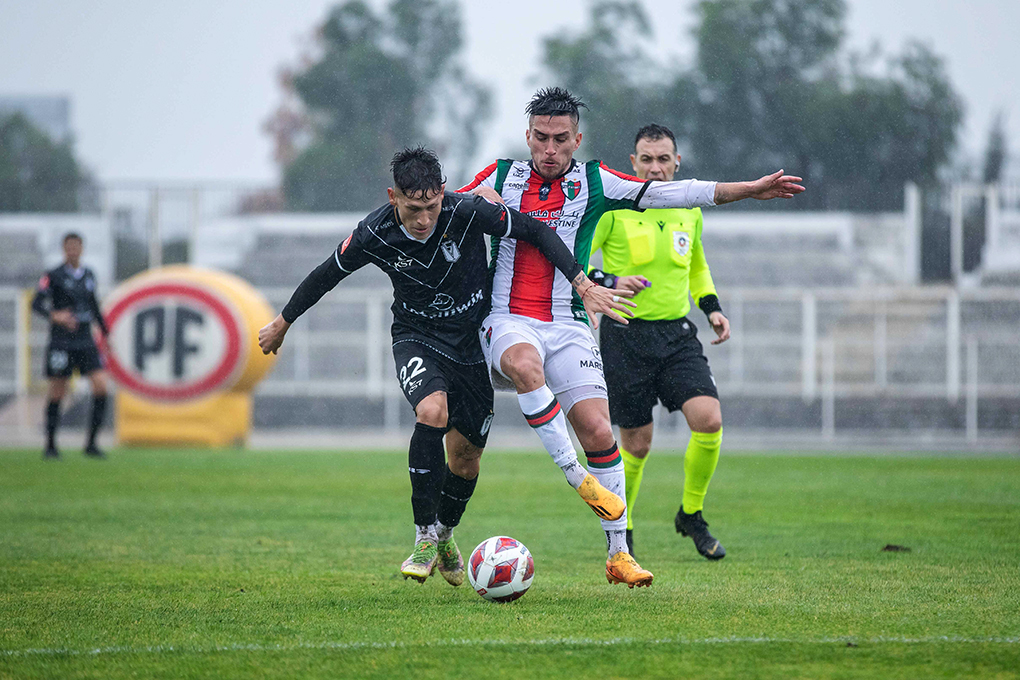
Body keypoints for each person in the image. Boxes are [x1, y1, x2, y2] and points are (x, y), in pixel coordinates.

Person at [461, 87, 804, 587]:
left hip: (570, 319)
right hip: (508, 316)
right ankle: (576, 476)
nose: (550, 149)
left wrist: (747, 190)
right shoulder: (501, 175)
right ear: (527, 137)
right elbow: (444, 202)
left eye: (561, 139)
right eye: (540, 138)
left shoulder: (596, 181)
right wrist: (476, 196)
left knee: (602, 433)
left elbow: (675, 193)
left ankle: (619, 555)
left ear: (578, 139)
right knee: (524, 363)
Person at [257, 146, 630, 585]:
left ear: (444, 194)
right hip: (417, 338)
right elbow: (328, 272)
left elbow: (533, 231)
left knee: (467, 460)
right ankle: (423, 536)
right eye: (413, 208)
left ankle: (445, 533)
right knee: (432, 411)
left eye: (431, 207)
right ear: (392, 195)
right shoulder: (373, 233)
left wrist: (581, 281)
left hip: (471, 344)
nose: (423, 219)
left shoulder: (466, 212)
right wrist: (283, 321)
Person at [589, 123, 729, 561]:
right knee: (637, 444)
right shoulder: (612, 210)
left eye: (663, 159)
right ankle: (623, 526)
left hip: (675, 334)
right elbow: (574, 263)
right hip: (624, 337)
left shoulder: (690, 209)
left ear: (677, 163)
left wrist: (712, 308)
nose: (654, 168)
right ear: (633, 163)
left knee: (708, 419)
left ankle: (691, 514)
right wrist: (612, 281)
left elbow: (696, 267)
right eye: (645, 160)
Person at [32, 232, 110, 459]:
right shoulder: (53, 275)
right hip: (62, 341)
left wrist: (106, 334)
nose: (73, 250)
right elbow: (36, 303)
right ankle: (50, 445)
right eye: (69, 247)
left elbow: (94, 305)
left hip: (85, 341)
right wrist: (54, 315)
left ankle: (91, 444)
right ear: (64, 249)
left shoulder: (89, 275)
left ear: (82, 248)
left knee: (101, 385)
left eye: (77, 246)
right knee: (58, 389)